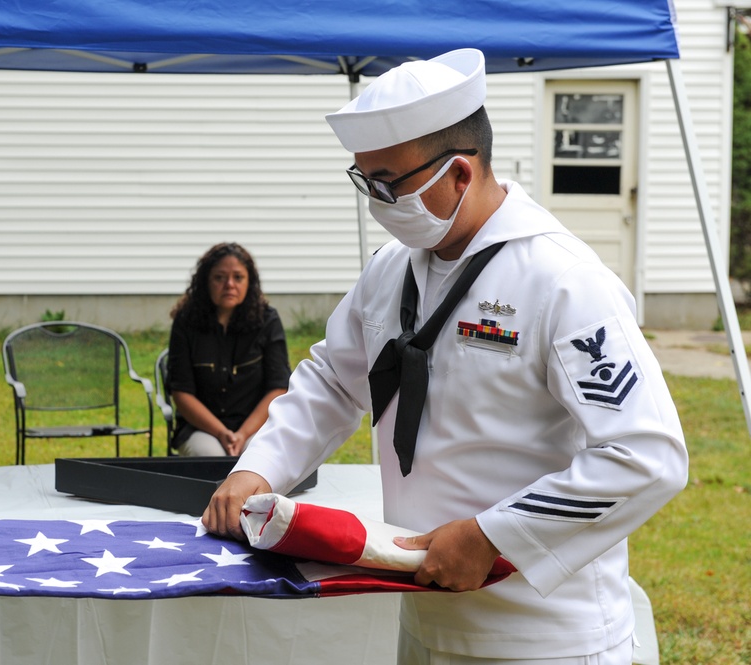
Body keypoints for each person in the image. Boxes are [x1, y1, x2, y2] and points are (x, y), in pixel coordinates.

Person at [203, 49, 687, 664]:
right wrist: (260, 467)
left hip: (544, 634)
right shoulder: (392, 269)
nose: (377, 201)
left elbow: (646, 455)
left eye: (390, 184)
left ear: (460, 173)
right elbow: (332, 380)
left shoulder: (561, 281)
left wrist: (494, 536)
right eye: (365, 181)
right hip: (426, 614)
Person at [167, 242, 291, 456]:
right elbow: (181, 393)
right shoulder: (186, 322)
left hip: (255, 426)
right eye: (219, 277)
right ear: (206, 281)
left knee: (257, 457)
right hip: (201, 429)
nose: (229, 285)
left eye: (238, 277)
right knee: (210, 458)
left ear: (249, 282)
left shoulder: (267, 321)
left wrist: (242, 433)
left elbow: (278, 387)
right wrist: (221, 432)